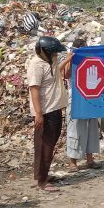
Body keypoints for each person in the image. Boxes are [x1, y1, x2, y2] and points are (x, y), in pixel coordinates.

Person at [27, 36, 68, 191]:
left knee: (49, 145)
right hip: (45, 112)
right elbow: (34, 89)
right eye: (53, 53)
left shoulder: (50, 61)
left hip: (54, 108)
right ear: (44, 52)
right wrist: (38, 114)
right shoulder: (36, 65)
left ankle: (42, 175)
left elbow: (56, 73)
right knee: (44, 146)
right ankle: (42, 182)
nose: (55, 55)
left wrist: (69, 59)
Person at [60, 38, 102, 171]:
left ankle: (90, 159)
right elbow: (65, 75)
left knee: (91, 130)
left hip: (91, 98)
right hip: (76, 99)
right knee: (75, 129)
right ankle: (73, 162)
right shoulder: (69, 59)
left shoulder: (91, 59)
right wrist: (70, 58)